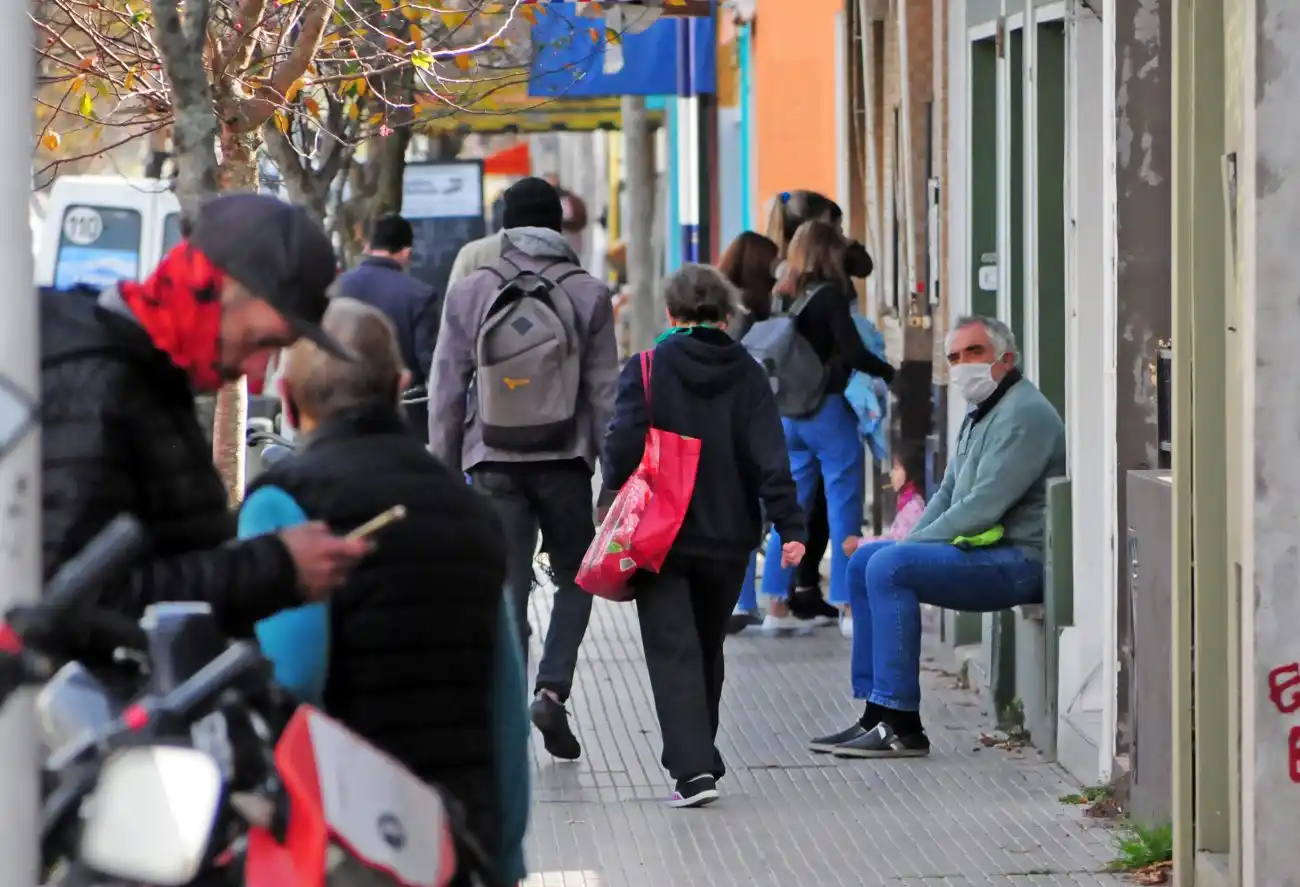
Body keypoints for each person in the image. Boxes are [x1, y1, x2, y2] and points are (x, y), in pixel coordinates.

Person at [238, 299, 528, 882]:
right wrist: (505, 856)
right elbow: (506, 700)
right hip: (457, 838)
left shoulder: (280, 504)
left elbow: (289, 682)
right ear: (399, 388)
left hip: (346, 845)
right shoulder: (470, 511)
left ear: (290, 403)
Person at [40, 193, 369, 653]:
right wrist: (273, 567)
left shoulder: (145, 378)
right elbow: (72, 604)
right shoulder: (99, 384)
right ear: (216, 289)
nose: (258, 372)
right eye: (259, 342)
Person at [808, 316, 1066, 758]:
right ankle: (876, 713)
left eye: (975, 353)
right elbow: (947, 493)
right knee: (865, 561)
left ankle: (902, 723)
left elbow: (982, 506)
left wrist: (908, 549)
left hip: (1020, 561)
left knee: (890, 565)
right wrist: (908, 543)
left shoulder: (1024, 414)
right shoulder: (981, 412)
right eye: (954, 357)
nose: (964, 364)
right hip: (982, 552)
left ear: (1007, 358)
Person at [429, 175, 619, 762]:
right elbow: (606, 394)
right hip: (564, 460)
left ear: (505, 228)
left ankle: (507, 708)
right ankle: (552, 690)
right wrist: (613, 480)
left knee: (506, 587)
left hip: (491, 460)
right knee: (577, 578)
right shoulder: (588, 293)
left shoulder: (471, 291)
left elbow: (444, 389)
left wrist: (442, 472)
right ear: (559, 226)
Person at [602, 264, 805, 808]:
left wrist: (607, 500)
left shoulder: (646, 367)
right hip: (729, 533)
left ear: (670, 314)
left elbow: (622, 444)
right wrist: (791, 523)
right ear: (727, 313)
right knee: (705, 647)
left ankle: (692, 771)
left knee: (674, 650)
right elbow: (770, 453)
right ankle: (701, 756)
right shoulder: (748, 371)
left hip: (659, 534)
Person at [759, 220, 895, 631]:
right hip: (828, 410)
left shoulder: (782, 296)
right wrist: (890, 372)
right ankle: (850, 606)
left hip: (787, 415)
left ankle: (776, 606)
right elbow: (853, 352)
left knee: (792, 509)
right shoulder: (830, 297)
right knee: (844, 505)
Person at [716, 231, 781, 633]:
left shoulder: (719, 304)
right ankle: (747, 600)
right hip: (755, 417)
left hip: (723, 421)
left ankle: (739, 599)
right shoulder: (755, 310)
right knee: (756, 510)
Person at [336, 214, 440, 440]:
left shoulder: (336, 289)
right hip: (405, 419)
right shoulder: (419, 295)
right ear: (406, 252)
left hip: (343, 419)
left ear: (366, 246)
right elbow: (430, 361)